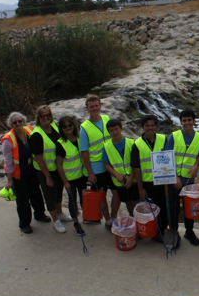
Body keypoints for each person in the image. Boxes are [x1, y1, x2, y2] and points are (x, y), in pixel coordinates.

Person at [1, 112, 50, 234]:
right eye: (15, 122)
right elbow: (7, 161)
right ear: (11, 124)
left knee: (36, 194)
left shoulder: (29, 130)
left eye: (19, 121)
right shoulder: (8, 139)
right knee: (22, 200)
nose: (18, 124)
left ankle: (40, 214)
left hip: (32, 170)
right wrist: (10, 180)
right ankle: (24, 224)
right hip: (19, 174)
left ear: (23, 121)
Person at [29, 105, 73, 233]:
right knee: (49, 194)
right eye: (43, 116)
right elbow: (38, 157)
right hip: (45, 171)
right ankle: (55, 220)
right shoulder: (36, 134)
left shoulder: (54, 126)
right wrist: (47, 175)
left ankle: (59, 213)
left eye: (48, 115)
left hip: (58, 168)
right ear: (38, 118)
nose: (46, 118)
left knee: (59, 191)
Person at [165, 108, 199, 247]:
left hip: (189, 180)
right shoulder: (174, 136)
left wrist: (196, 166)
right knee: (174, 208)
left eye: (189, 120)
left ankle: (189, 231)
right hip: (174, 180)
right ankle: (175, 233)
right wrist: (174, 176)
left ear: (194, 121)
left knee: (190, 208)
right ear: (181, 122)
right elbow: (167, 157)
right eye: (184, 120)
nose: (187, 123)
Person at [79, 94, 114, 229]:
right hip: (97, 168)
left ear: (100, 105)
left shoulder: (106, 119)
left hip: (111, 164)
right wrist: (90, 172)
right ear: (87, 108)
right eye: (91, 106)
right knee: (102, 195)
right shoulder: (84, 128)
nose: (95, 108)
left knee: (115, 192)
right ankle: (108, 220)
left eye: (97, 105)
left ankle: (113, 216)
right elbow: (84, 152)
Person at [131, 114, 168, 243]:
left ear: (156, 126)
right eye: (147, 125)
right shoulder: (137, 144)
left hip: (163, 182)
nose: (150, 128)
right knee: (150, 210)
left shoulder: (164, 139)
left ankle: (161, 231)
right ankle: (150, 231)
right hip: (147, 183)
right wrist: (140, 188)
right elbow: (136, 168)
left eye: (152, 125)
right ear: (142, 127)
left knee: (163, 208)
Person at [56, 116, 87, 236]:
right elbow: (59, 165)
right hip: (70, 178)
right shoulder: (61, 144)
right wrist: (65, 182)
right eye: (65, 126)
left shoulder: (80, 139)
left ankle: (86, 216)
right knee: (72, 200)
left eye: (70, 125)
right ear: (61, 129)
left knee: (84, 198)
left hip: (82, 176)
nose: (68, 128)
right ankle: (76, 223)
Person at [103, 119, 139, 219]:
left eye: (116, 129)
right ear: (109, 132)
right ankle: (132, 219)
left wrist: (131, 177)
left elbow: (136, 163)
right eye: (111, 130)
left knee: (135, 201)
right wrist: (116, 174)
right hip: (119, 181)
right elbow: (106, 163)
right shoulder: (107, 146)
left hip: (134, 180)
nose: (115, 132)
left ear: (121, 129)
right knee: (127, 202)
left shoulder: (131, 143)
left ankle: (136, 220)